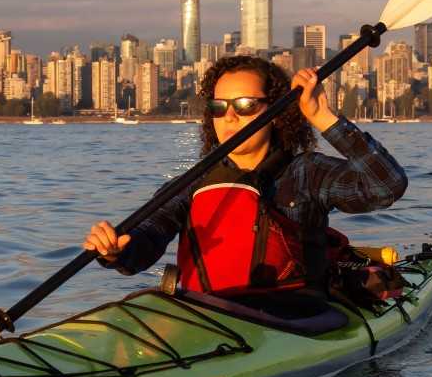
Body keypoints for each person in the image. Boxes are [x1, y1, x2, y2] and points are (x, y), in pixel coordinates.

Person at [83, 55, 407, 300]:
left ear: (275, 113)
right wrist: (115, 251)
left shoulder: (307, 172)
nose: (230, 116)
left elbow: (386, 187)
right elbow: (146, 239)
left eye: (245, 105)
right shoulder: (193, 183)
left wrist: (322, 116)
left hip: (298, 317)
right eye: (218, 106)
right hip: (209, 315)